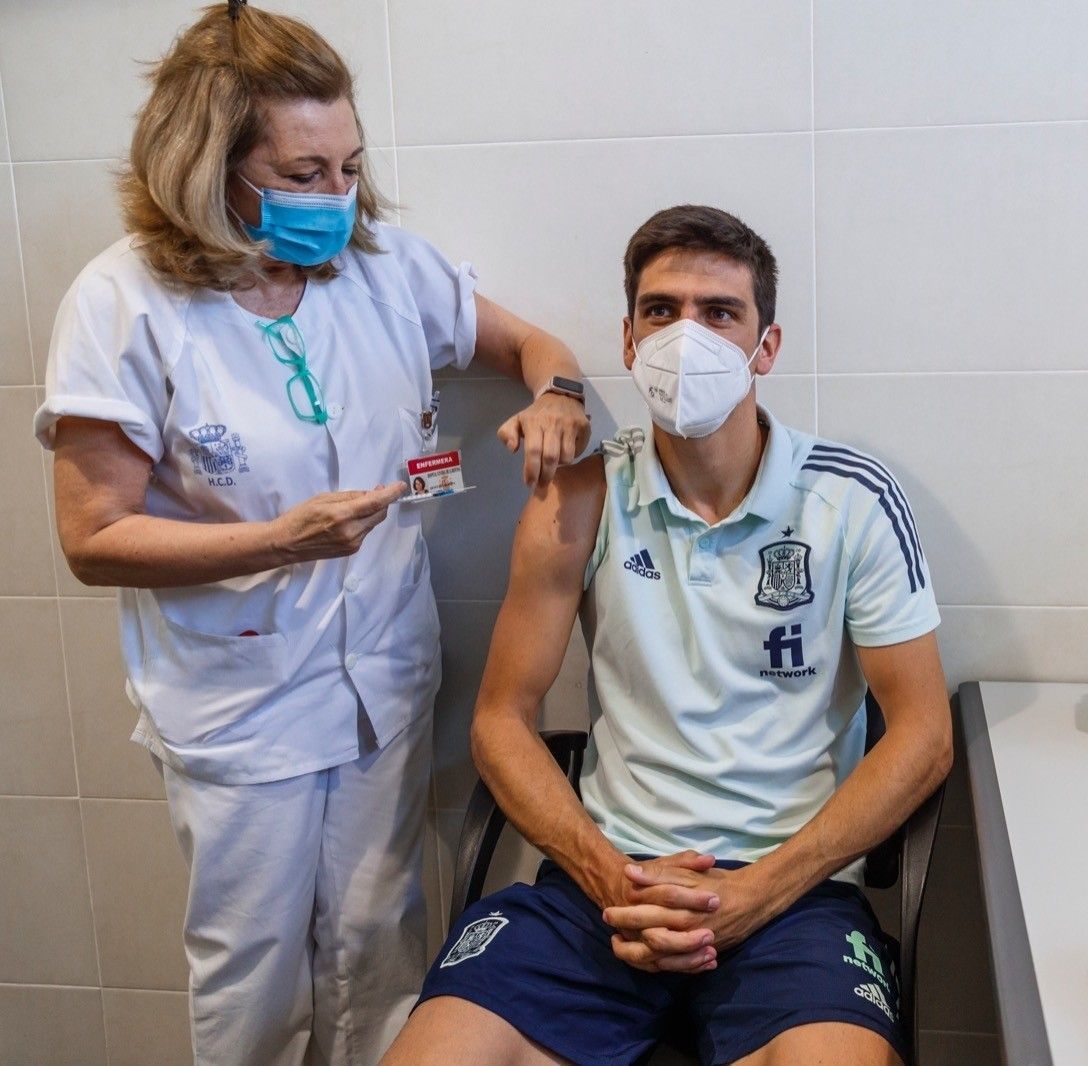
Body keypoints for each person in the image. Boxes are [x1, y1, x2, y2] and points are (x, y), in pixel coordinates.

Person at [32, 4, 590, 1064]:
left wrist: (556, 389)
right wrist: (277, 541)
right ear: (208, 169)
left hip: (381, 678)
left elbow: (530, 345)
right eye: (302, 173)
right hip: (241, 702)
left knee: (381, 950)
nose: (336, 197)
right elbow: (93, 537)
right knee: (256, 980)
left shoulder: (383, 269)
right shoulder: (123, 304)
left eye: (348, 165)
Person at [382, 205, 953, 1066]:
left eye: (720, 313)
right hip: (602, 885)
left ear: (766, 347)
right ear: (627, 338)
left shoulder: (851, 500)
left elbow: (923, 736)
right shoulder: (580, 496)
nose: (687, 335)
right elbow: (501, 718)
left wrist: (757, 895)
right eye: (662, 310)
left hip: (792, 894)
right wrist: (613, 878)